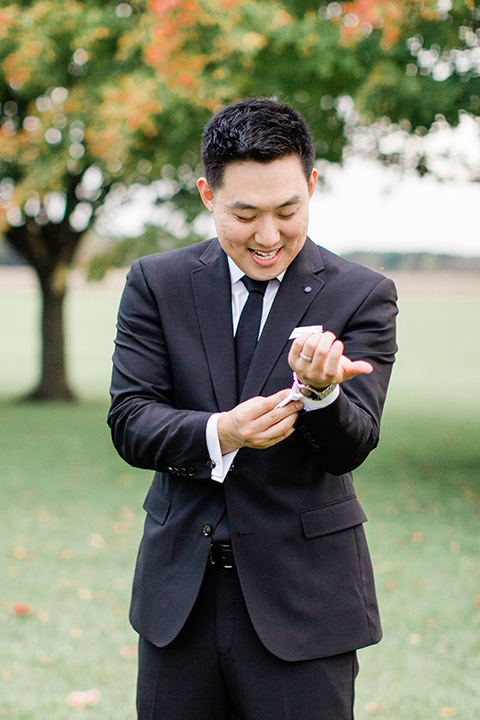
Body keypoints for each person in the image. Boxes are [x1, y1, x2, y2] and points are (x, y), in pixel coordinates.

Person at [108, 97, 398, 720]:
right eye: (245, 214)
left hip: (304, 603)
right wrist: (223, 432)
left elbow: (354, 443)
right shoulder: (156, 283)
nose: (268, 237)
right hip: (177, 601)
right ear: (208, 195)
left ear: (312, 186)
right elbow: (130, 420)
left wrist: (322, 394)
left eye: (287, 210)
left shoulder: (363, 294)